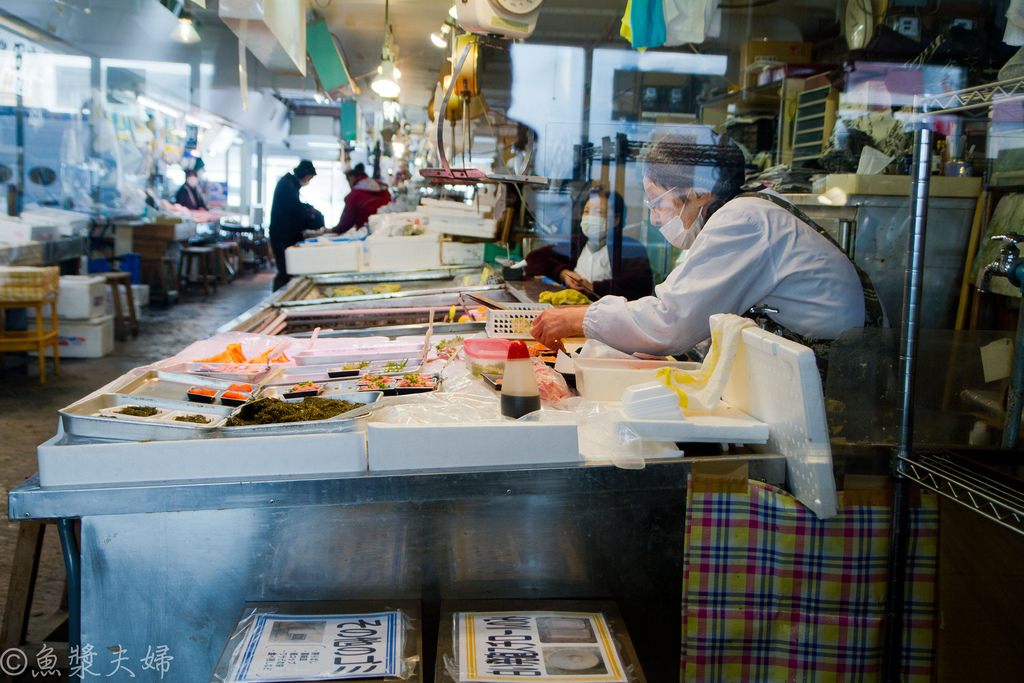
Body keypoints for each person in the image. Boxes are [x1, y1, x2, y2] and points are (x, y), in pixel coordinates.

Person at [531, 128, 879, 357]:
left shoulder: (742, 221)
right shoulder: (748, 211)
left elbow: (671, 322)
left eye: (656, 202)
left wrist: (581, 317)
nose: (653, 218)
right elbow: (695, 317)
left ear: (699, 193)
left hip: (840, 386)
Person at [525, 186, 653, 301]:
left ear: (615, 220)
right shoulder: (577, 243)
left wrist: (592, 288)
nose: (590, 217)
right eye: (586, 211)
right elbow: (533, 259)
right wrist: (563, 274)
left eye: (598, 212)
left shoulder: (629, 248)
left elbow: (640, 286)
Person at [269, 160, 325, 291]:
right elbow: (293, 208)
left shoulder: (290, 184)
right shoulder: (287, 184)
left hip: (286, 233)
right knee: (284, 270)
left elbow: (296, 206)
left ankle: (281, 300)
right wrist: (309, 214)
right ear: (304, 173)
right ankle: (277, 302)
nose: (308, 181)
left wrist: (309, 209)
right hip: (281, 234)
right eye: (309, 178)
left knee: (287, 269)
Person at [331, 163, 391, 234]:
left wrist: (333, 230)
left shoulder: (354, 195)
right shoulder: (383, 190)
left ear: (351, 178)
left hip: (366, 234)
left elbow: (346, 223)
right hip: (387, 230)